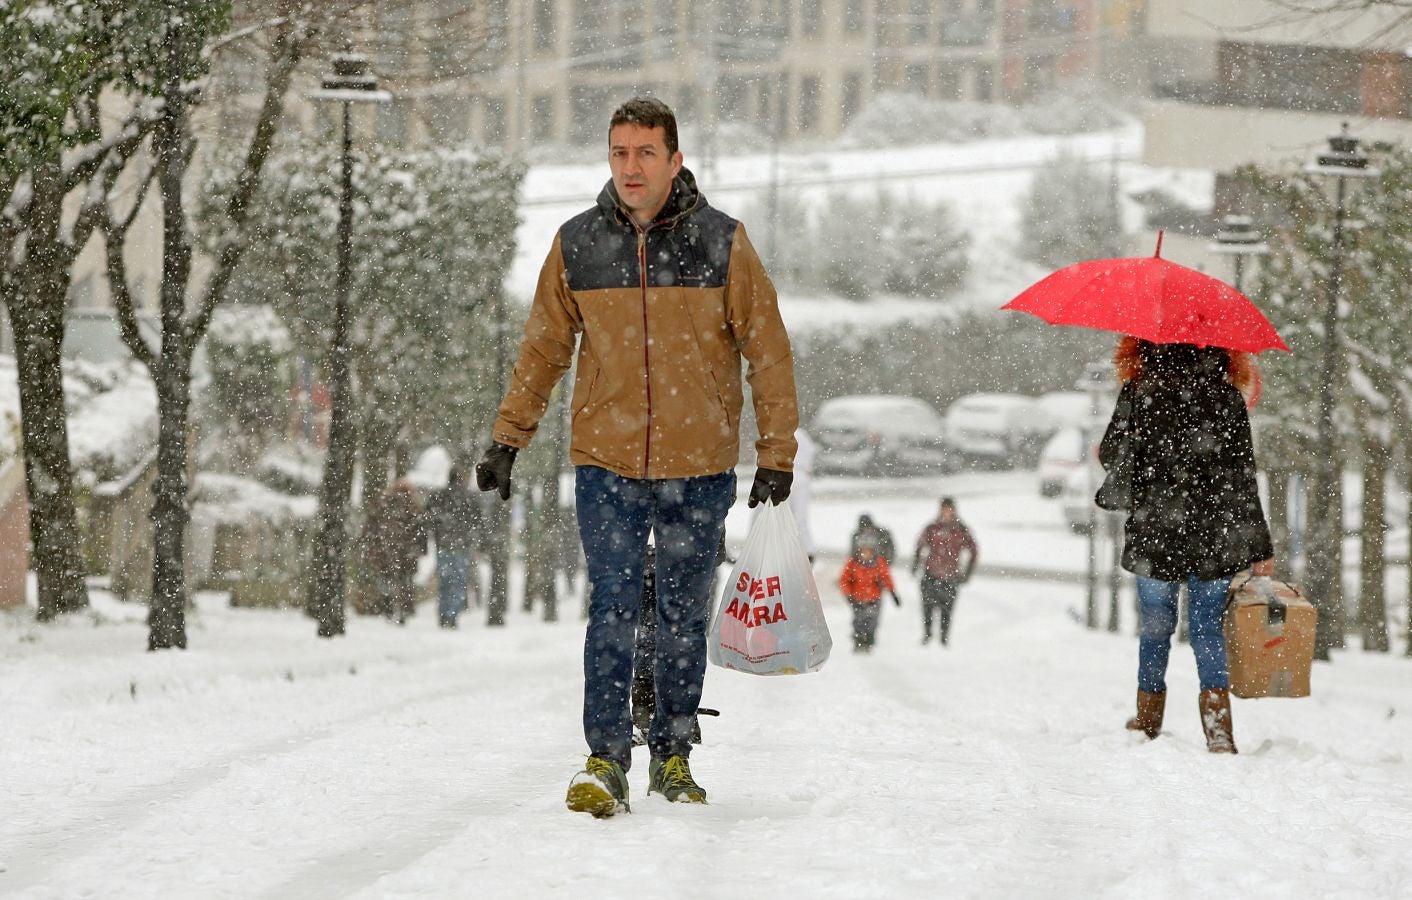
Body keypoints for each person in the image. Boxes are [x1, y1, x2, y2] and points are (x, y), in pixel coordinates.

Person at [474, 97, 798, 817]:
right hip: (605, 460)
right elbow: (543, 350)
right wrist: (507, 439)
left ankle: (674, 754)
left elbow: (768, 352)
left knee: (683, 612)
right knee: (613, 605)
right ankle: (606, 757)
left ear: (676, 160)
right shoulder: (578, 245)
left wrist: (777, 454)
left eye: (645, 153)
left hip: (699, 462)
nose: (630, 166)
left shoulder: (723, 243)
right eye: (619, 152)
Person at [1100, 337, 1274, 755]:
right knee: (1207, 629)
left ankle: (1147, 717)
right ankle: (1217, 729)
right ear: (1222, 348)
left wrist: (1139, 455)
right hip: (1213, 535)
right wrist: (1259, 546)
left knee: (1156, 626)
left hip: (1155, 530)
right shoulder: (1227, 397)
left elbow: (1110, 453)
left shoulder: (1141, 389)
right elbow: (1242, 477)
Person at [912, 497, 978, 646]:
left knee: (946, 610)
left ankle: (943, 637)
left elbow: (973, 550)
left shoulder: (961, 529)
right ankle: (927, 634)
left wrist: (967, 572)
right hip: (931, 574)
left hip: (950, 576)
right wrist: (916, 565)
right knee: (927, 608)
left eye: (949, 509)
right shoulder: (932, 528)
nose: (947, 513)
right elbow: (920, 545)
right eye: (944, 509)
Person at [361, 479, 427, 626]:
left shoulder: (382, 503)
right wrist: (420, 549)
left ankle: (387, 606)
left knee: (385, 579)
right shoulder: (412, 505)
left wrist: (370, 545)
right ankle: (404, 609)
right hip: (406, 552)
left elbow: (370, 527)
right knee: (405, 581)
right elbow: (420, 530)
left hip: (385, 550)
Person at [425, 465, 483, 629]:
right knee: (458, 582)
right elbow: (477, 521)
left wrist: (437, 535)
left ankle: (443, 615)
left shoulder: (439, 496)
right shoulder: (469, 497)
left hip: (443, 545)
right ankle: (452, 615)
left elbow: (430, 518)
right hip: (462, 546)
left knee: (444, 581)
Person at [838, 537, 899, 652]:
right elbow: (844, 580)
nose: (866, 554)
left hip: (874, 599)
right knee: (858, 620)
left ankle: (869, 640)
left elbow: (886, 577)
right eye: (863, 551)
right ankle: (858, 641)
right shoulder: (852, 563)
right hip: (857, 599)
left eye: (869, 551)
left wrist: (893, 592)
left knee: (872, 620)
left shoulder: (879, 562)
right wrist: (848, 594)